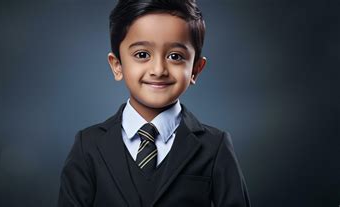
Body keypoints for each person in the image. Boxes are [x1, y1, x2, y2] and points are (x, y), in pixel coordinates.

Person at [58, 0, 251, 206]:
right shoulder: (87, 145)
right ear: (117, 65)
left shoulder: (215, 147)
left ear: (195, 69)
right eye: (142, 55)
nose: (158, 70)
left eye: (175, 56)